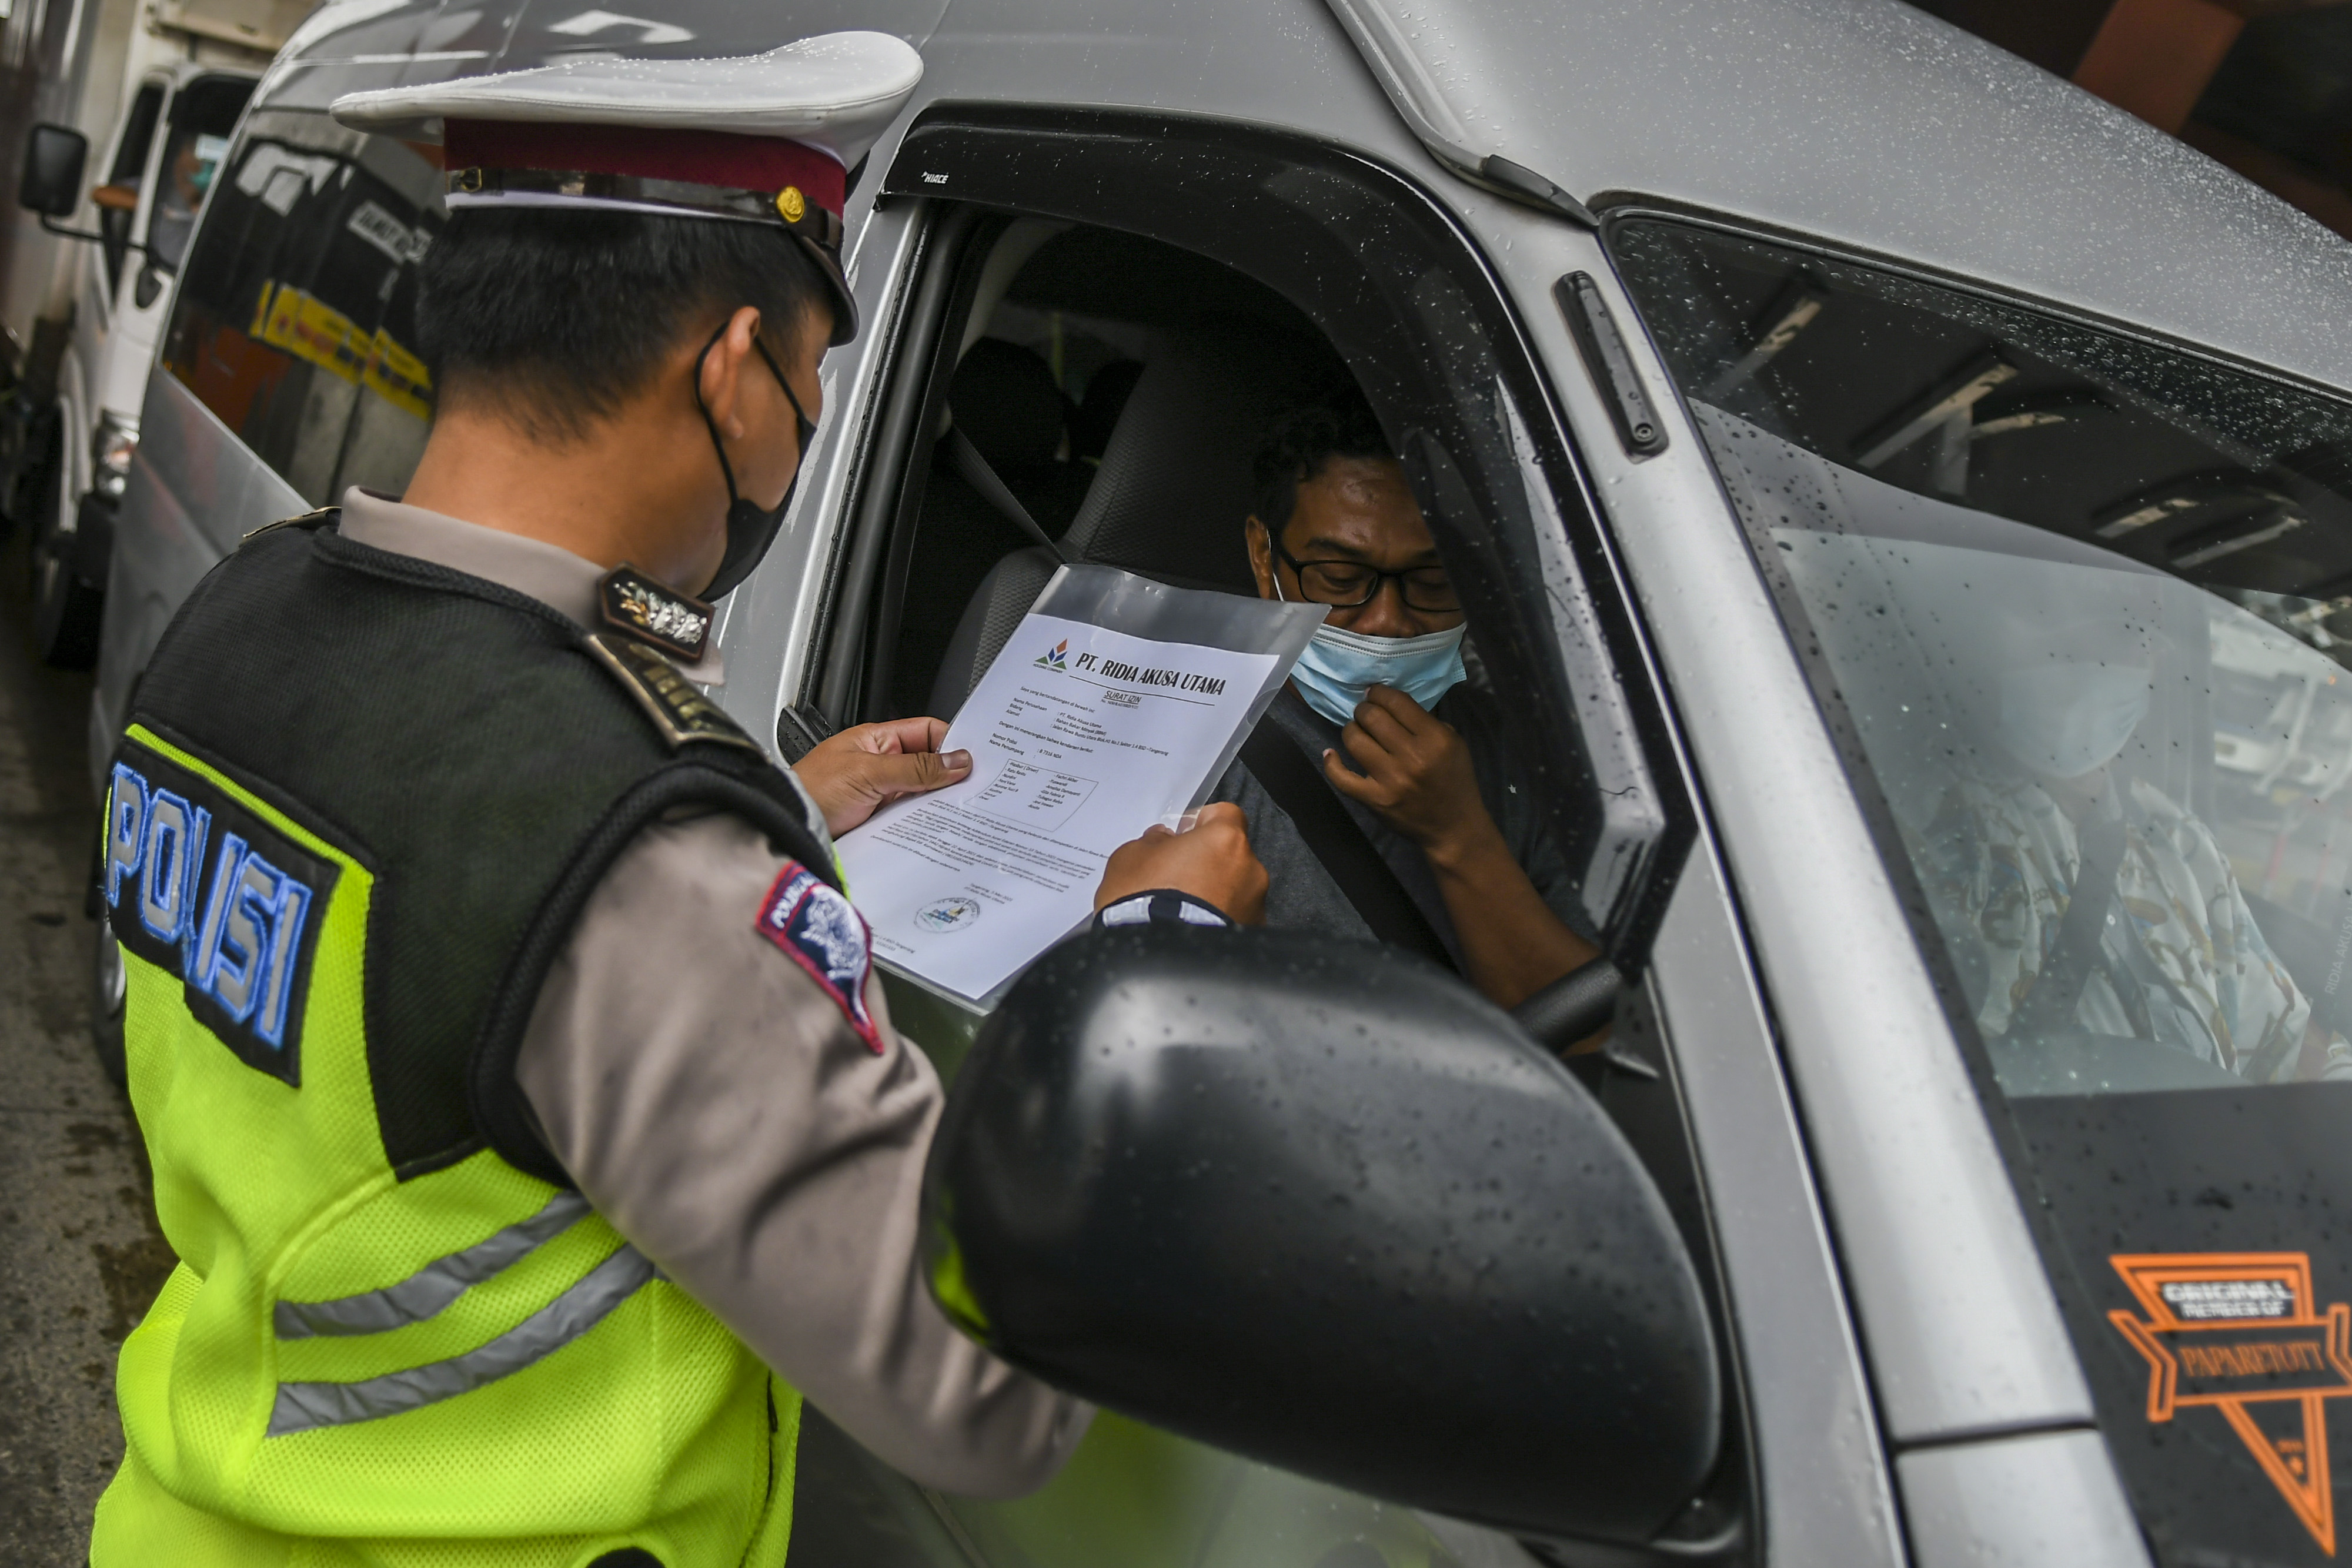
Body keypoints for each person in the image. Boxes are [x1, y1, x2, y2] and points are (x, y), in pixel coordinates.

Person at [88, 41, 1264, 1568]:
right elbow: (980, 1394)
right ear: (729, 370)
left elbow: (425, 963)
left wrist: (776, 809)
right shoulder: (642, 854)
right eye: (815, 381)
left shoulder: (244, 619)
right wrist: (1151, 946)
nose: (806, 430)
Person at [1210, 397, 1599, 1010]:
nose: (1388, 622)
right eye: (1339, 579)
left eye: (1435, 581)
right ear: (1264, 556)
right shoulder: (1175, 732)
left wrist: (1457, 834)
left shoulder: (1501, 748)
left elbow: (1589, 1033)